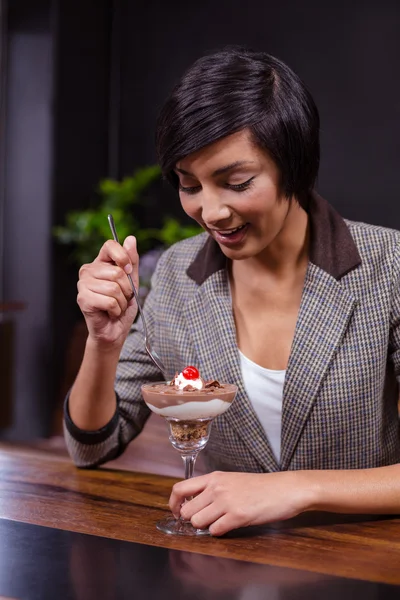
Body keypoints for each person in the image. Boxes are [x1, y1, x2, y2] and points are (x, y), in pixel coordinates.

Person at [64, 46, 400, 536]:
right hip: (225, 566)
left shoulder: (387, 266)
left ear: (295, 166)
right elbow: (92, 447)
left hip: (362, 565)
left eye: (237, 182)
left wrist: (293, 490)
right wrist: (104, 341)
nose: (212, 212)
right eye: (189, 185)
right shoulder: (178, 273)